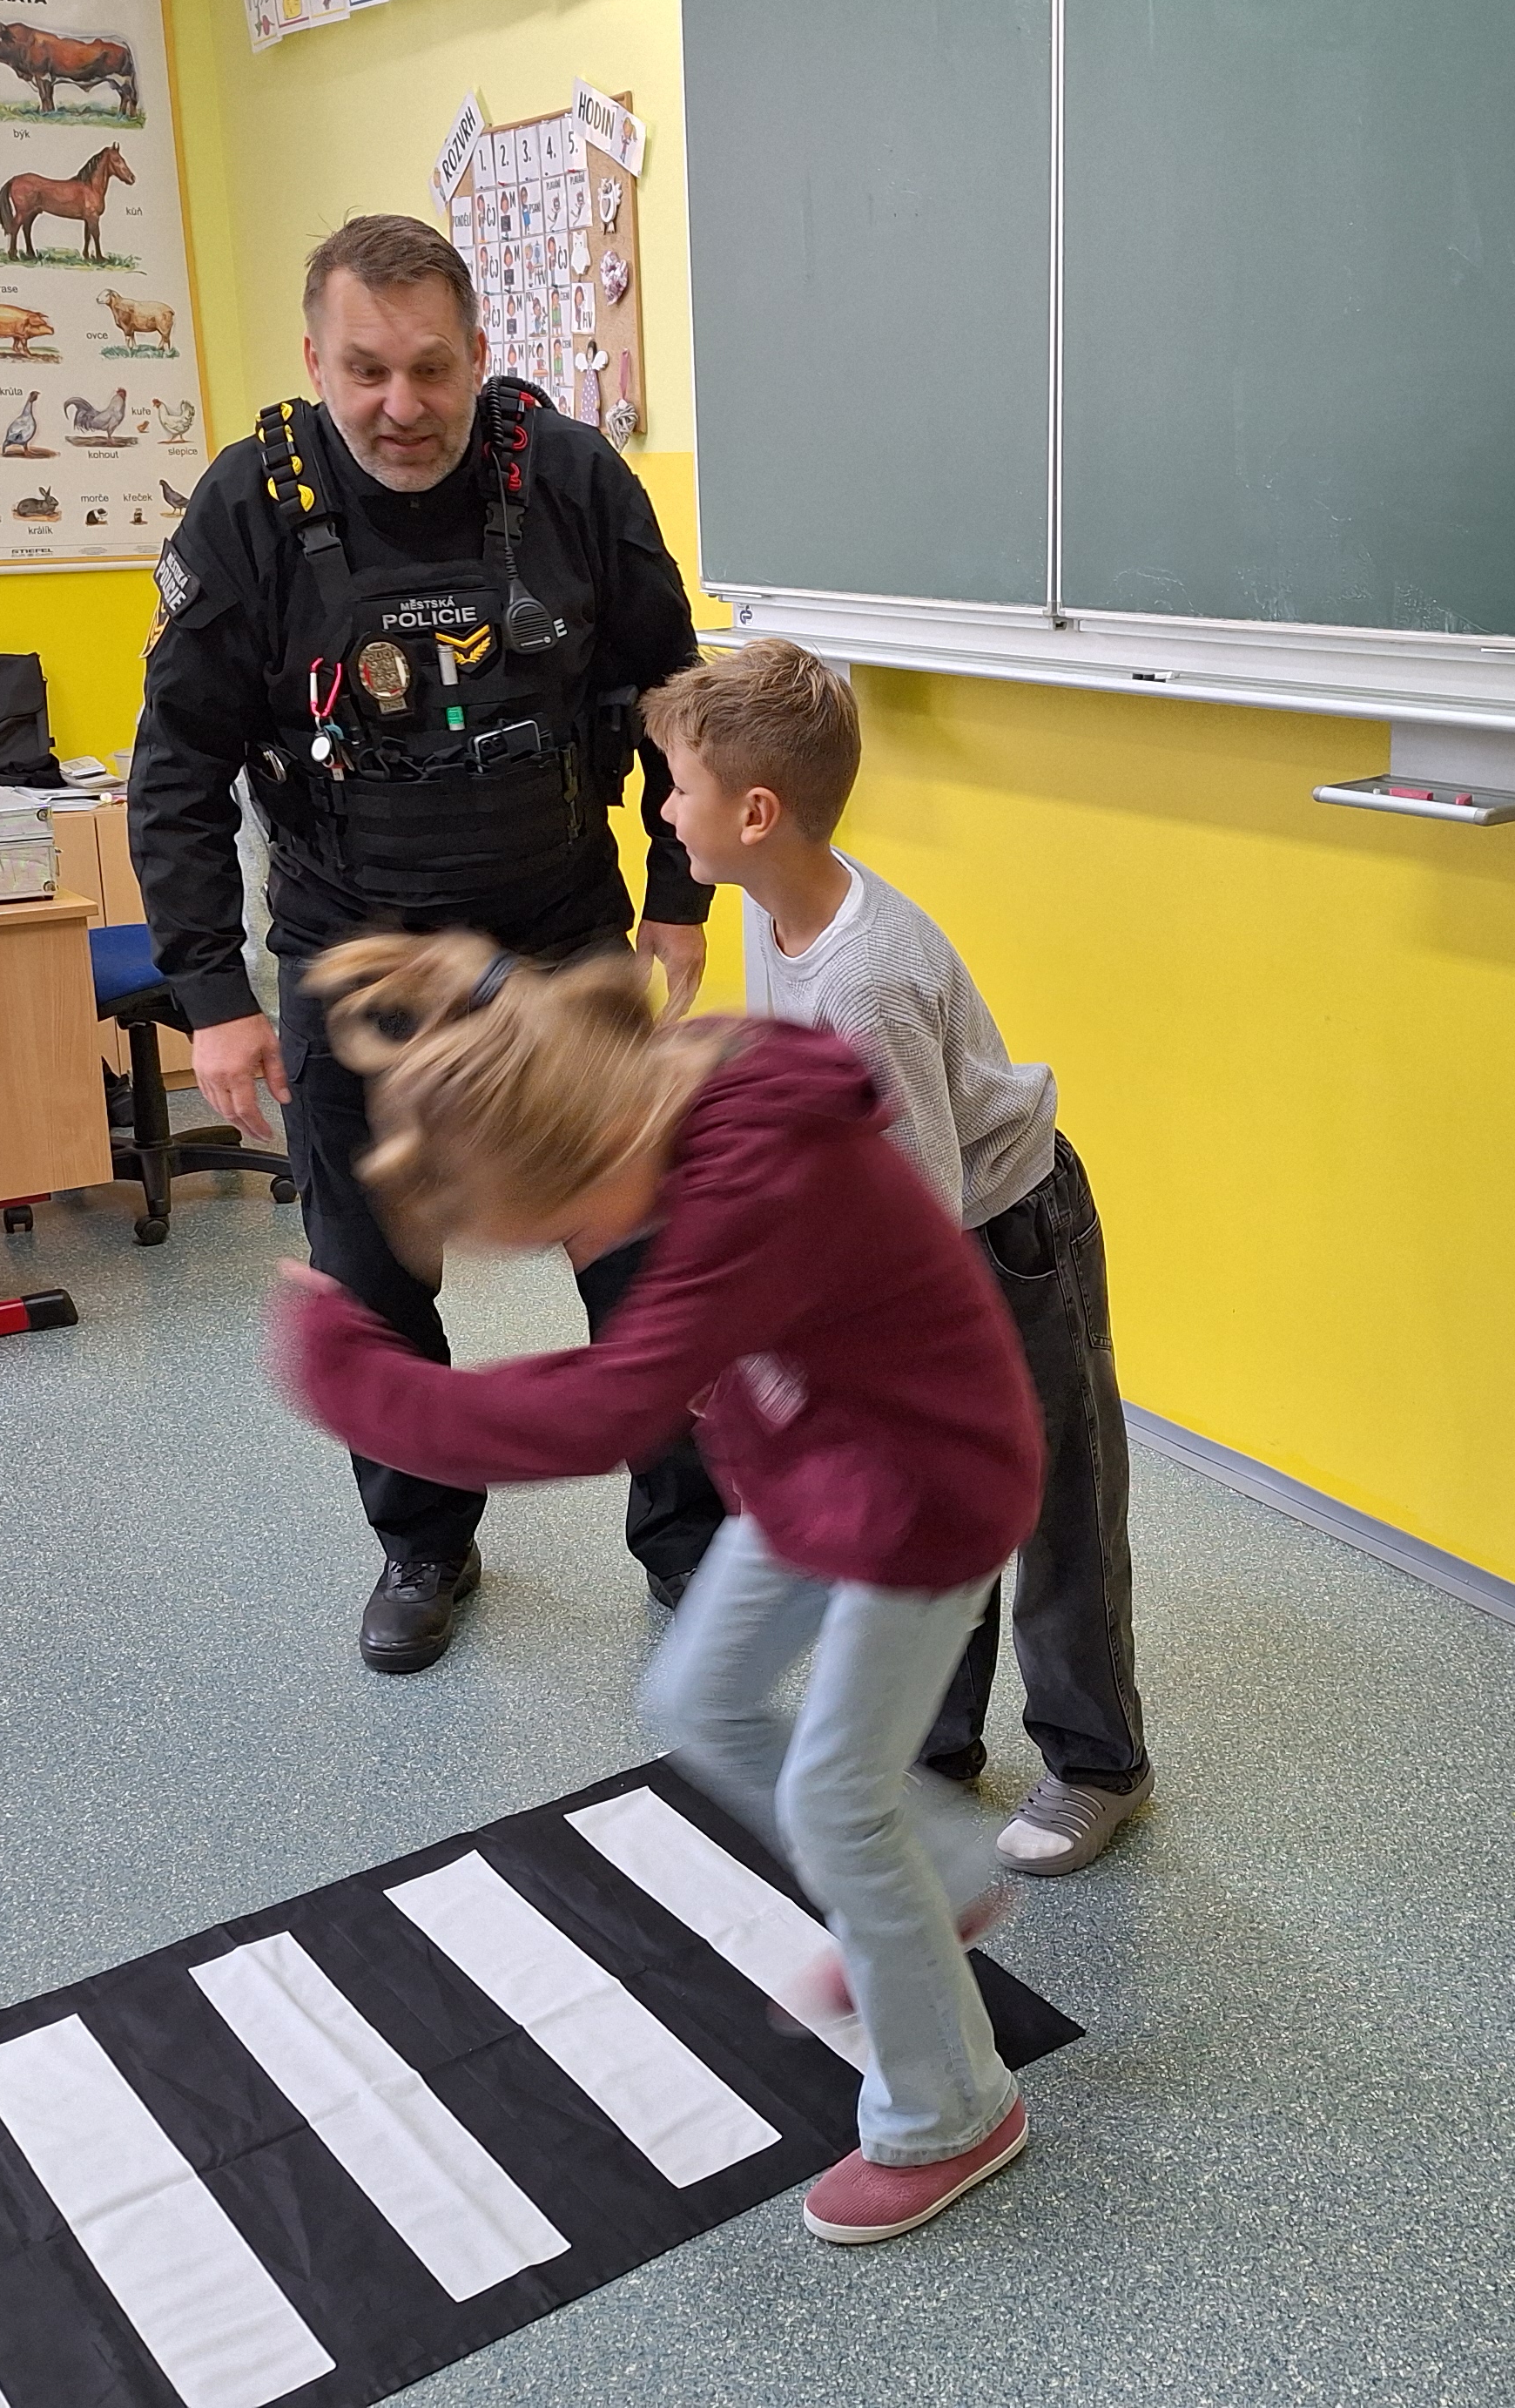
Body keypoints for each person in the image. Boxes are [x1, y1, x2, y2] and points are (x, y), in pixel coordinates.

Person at [270, 932, 1042, 2243]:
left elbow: (604, 1406)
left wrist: (354, 1380)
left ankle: (954, 2111)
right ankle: (936, 1873)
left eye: (566, 1227)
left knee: (835, 1802)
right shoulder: (648, 1087)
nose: (584, 1250)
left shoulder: (759, 1182)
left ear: (596, 1151)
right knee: (699, 1697)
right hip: (815, 1459)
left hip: (929, 1493)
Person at [131, 213, 724, 1672]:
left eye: (431, 368)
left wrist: (680, 891)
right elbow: (178, 767)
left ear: (478, 354)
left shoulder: (571, 479)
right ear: (314, 359)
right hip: (351, 950)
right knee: (371, 1269)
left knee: (642, 1253)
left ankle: (692, 1548)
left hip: (558, 931)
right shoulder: (248, 507)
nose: (402, 405)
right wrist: (213, 992)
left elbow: (674, 694)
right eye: (366, 370)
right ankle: (421, 1543)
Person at [645, 639, 1153, 1879]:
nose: (662, 809)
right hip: (914, 1235)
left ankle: (1099, 1764)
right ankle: (935, 1742)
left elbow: (916, 1217)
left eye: (678, 787)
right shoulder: (777, 902)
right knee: (928, 1494)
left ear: (756, 813)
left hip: (1003, 1236)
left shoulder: (865, 981)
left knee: (1049, 1499)